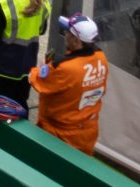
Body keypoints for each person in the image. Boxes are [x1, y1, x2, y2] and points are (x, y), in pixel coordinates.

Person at [32, 16, 109, 155]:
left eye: (68, 32)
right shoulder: (101, 58)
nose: (65, 34)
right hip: (87, 133)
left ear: (77, 40)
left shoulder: (64, 67)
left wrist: (42, 67)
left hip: (59, 135)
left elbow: (38, 81)